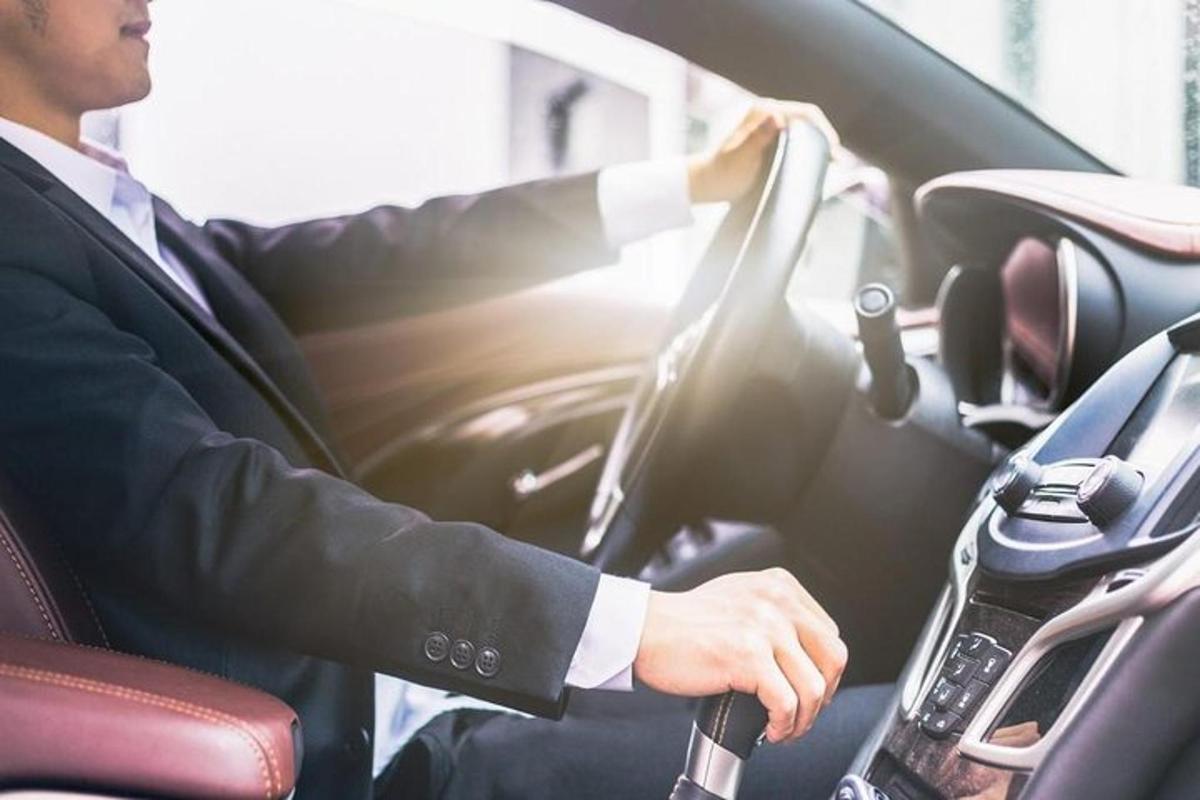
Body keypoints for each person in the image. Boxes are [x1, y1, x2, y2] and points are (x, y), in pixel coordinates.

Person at [0, 0, 890, 797]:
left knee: (843, 672)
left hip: (390, 682)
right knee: (917, 762)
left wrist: (686, 185)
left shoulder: (78, 196)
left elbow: (355, 259)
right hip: (359, 756)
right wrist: (631, 626)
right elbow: (222, 513)